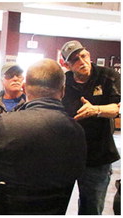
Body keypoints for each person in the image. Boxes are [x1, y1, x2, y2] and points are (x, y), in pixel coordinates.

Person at [0, 58, 87, 215]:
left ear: (24, 88)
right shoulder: (77, 131)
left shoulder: (4, 124)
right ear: (63, 91)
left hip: (1, 210)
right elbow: (76, 172)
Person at [60, 40, 121, 215]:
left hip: (98, 155)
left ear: (89, 55)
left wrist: (96, 110)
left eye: (83, 56)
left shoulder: (108, 76)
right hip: (67, 155)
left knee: (92, 207)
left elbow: (115, 108)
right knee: (55, 204)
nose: (82, 61)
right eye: (75, 60)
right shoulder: (63, 82)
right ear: (67, 65)